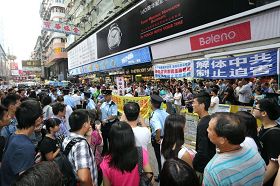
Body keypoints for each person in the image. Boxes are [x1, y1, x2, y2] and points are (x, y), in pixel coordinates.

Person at [203, 112, 266, 185]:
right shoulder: (253, 153)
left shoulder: (213, 170)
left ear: (222, 140)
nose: (207, 130)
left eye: (210, 129)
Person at [0, 100, 43, 186]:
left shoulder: (13, 135)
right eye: (42, 115)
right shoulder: (25, 147)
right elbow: (26, 182)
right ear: (38, 119)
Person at [100, 121, 154, 186]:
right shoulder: (140, 152)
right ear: (131, 136)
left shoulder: (106, 161)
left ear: (111, 140)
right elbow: (151, 179)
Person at [62, 109, 98, 186]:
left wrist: (88, 136)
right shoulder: (81, 144)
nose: (90, 124)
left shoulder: (67, 138)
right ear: (85, 125)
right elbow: (84, 179)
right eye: (89, 121)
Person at [253, 98, 280, 186]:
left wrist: (259, 183)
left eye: (255, 108)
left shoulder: (274, 135)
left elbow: (274, 165)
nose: (253, 109)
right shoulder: (264, 126)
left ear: (264, 113)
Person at [192, 91, 215, 181]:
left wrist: (194, 164)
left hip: (203, 167)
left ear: (202, 105)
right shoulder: (210, 119)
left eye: (194, 102)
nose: (192, 105)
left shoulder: (202, 124)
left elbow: (202, 150)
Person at [149, 94, 169, 180]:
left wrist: (157, 139)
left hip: (159, 140)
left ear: (152, 104)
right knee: (166, 158)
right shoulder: (165, 113)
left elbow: (158, 129)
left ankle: (162, 177)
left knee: (159, 159)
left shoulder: (154, 116)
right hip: (166, 138)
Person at [100, 89, 118, 155]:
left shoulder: (113, 104)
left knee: (111, 139)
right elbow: (101, 111)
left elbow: (114, 115)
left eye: (106, 96)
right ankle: (105, 150)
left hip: (110, 124)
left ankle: (111, 152)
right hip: (103, 124)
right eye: (104, 96)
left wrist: (106, 119)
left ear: (110, 96)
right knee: (104, 138)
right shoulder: (104, 103)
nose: (105, 97)